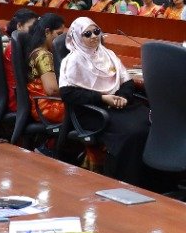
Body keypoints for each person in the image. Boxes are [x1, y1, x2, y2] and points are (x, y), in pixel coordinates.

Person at [59, 17, 151, 182]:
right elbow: (67, 93)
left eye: (96, 31)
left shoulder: (108, 54)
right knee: (133, 132)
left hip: (116, 105)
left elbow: (127, 81)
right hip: (93, 110)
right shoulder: (72, 60)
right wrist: (102, 98)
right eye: (87, 34)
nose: (94, 36)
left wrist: (122, 97)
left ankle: (151, 179)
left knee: (151, 120)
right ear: (77, 37)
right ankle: (125, 180)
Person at [24, 13, 67, 125]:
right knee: (87, 107)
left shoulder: (36, 50)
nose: (61, 39)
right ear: (47, 32)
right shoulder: (43, 55)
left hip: (40, 105)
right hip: (48, 107)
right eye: (59, 34)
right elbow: (52, 90)